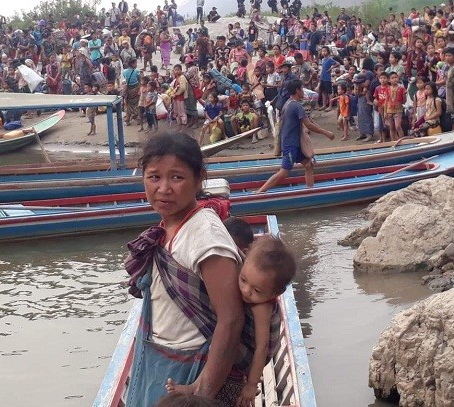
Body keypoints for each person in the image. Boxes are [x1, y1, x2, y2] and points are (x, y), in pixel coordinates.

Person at [123, 133, 246, 405]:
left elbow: (231, 319)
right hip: (158, 359)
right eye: (154, 177)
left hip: (192, 367)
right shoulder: (170, 226)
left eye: (176, 177)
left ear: (199, 178)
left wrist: (202, 393)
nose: (164, 188)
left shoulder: (206, 237)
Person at [170, 235, 295, 406]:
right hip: (231, 351)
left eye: (257, 290)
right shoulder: (240, 271)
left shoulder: (262, 308)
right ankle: (195, 387)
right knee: (219, 341)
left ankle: (200, 390)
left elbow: (261, 347)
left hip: (242, 364)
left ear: (275, 294)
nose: (246, 291)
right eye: (243, 280)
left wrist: (251, 385)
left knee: (224, 343)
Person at [257, 80, 334, 193]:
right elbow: (308, 124)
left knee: (308, 164)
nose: (303, 91)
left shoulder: (288, 103)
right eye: (302, 89)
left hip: (295, 143)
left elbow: (308, 121)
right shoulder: (296, 106)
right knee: (284, 172)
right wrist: (326, 133)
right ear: (297, 90)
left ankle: (310, 191)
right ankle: (260, 192)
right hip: (290, 144)